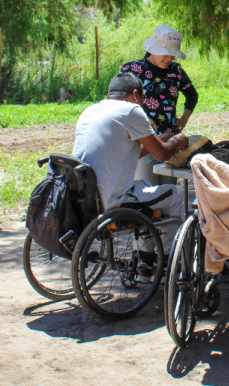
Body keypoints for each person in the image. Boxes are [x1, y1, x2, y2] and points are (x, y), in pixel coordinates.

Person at [72, 73, 189, 281]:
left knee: (144, 186)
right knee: (174, 194)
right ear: (136, 95)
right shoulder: (131, 111)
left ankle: (146, 261)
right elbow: (161, 154)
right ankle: (167, 262)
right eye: (143, 100)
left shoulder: (90, 111)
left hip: (85, 199)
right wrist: (176, 142)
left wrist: (161, 140)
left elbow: (126, 151)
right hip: (111, 202)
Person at [119, 25, 198, 135]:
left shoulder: (176, 71)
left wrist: (184, 117)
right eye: (165, 53)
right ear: (153, 49)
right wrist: (140, 120)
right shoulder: (132, 70)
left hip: (170, 137)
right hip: (139, 137)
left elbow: (192, 95)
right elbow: (118, 101)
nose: (169, 58)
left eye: (173, 55)